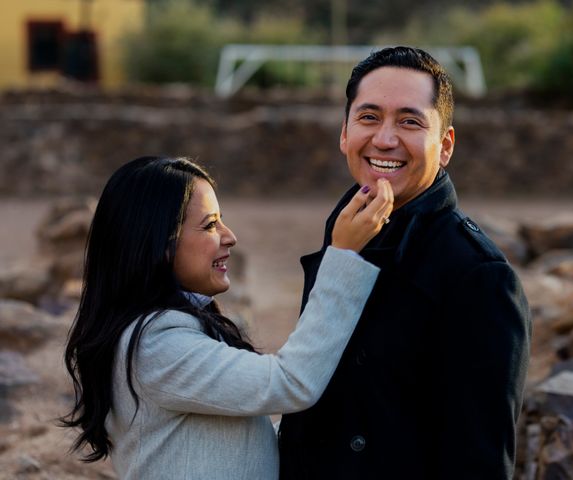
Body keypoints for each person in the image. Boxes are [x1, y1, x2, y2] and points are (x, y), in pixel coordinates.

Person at [278, 46, 531, 479]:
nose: (384, 139)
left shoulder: (480, 277)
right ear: (344, 133)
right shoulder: (344, 233)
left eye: (410, 121)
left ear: (445, 145)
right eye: (369, 117)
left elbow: (480, 464)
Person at [61, 156, 394, 479]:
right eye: (210, 224)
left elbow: (237, 441)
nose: (229, 235)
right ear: (159, 245)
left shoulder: (168, 329)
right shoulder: (155, 345)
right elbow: (291, 383)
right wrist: (344, 256)